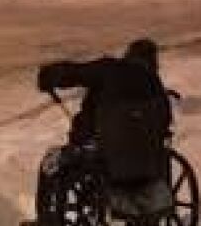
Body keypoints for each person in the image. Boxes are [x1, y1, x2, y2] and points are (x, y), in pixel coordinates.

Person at [35, 38, 174, 187]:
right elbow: (164, 123)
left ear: (128, 54)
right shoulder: (156, 86)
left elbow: (76, 73)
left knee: (50, 164)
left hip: (101, 147)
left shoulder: (109, 68)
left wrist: (49, 75)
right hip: (147, 157)